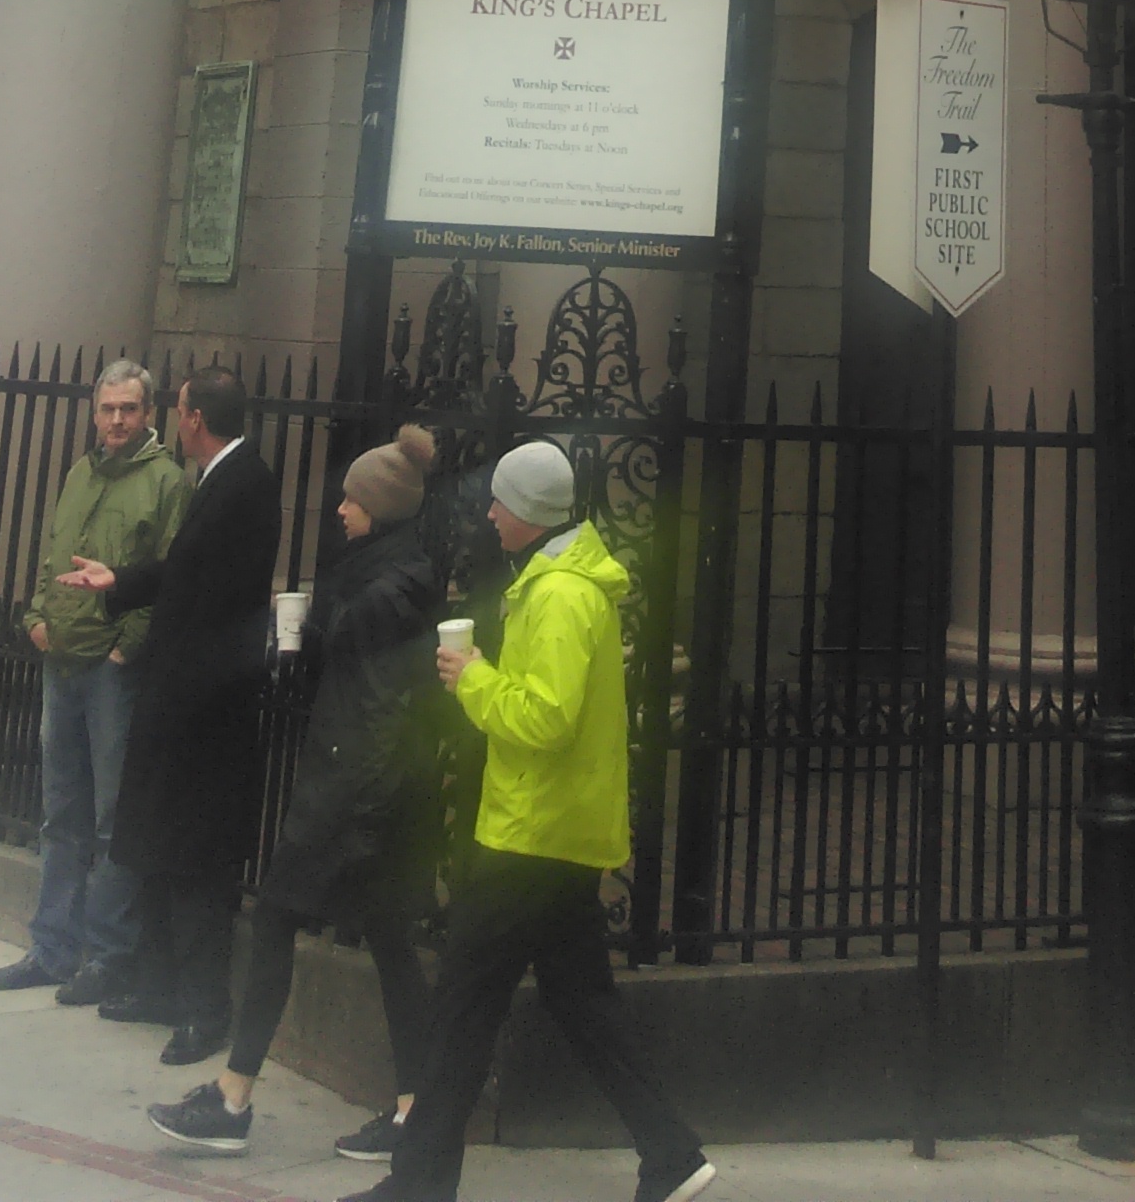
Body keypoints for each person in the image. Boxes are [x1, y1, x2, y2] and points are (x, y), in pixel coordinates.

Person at [388, 438, 712, 1202]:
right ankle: (670, 1153)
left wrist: (473, 680)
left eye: (500, 502)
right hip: (555, 832)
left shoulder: (560, 594)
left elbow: (546, 718)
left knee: (463, 1009)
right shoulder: (563, 583)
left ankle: (417, 1187)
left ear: (529, 511)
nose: (490, 515)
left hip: (527, 835)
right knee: (581, 1002)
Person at [147, 430, 444, 1161]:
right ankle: (413, 1110)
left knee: (278, 918)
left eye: (352, 499)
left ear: (380, 507)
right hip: (382, 790)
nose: (339, 509)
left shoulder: (383, 594)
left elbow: (374, 708)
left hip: (352, 789)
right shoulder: (394, 580)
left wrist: (345, 804)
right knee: (390, 942)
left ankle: (233, 1097)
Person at [64, 364, 282, 1064]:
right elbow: (183, 571)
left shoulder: (243, 485)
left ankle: (203, 1011)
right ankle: (158, 987)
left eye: (178, 410)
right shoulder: (218, 479)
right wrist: (118, 581)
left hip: (205, 710)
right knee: (158, 850)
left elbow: (209, 595)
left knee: (196, 868)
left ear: (193, 419)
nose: (173, 422)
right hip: (180, 700)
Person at [0, 357, 188, 1005]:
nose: (117, 420)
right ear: (95, 413)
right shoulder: (80, 472)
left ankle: (108, 956)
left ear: (149, 413)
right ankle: (53, 949)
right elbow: (53, 554)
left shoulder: (167, 482)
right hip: (62, 659)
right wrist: (36, 615)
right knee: (60, 813)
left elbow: (170, 572)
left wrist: (128, 646)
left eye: (128, 408)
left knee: (110, 818)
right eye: (107, 408)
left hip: (110, 669)